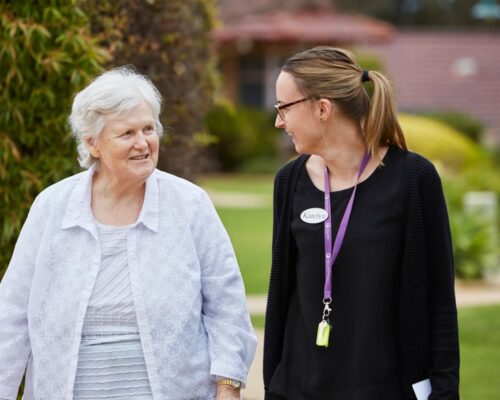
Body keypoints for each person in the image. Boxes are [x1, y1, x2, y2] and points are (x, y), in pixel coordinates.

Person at [0, 67, 256, 400]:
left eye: (149, 129)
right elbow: (13, 313)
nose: (143, 143)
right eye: (127, 133)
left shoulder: (189, 204)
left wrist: (228, 386)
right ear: (93, 143)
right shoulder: (53, 206)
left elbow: (227, 304)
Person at [263, 47, 459, 399]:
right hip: (298, 389)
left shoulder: (414, 179)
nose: (279, 121)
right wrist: (271, 385)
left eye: (283, 107)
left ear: (322, 108)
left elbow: (439, 299)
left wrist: (444, 392)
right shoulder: (289, 181)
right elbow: (281, 294)